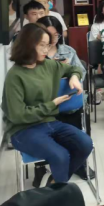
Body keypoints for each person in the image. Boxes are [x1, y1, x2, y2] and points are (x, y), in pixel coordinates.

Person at [2, 23, 91, 186]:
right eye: (41, 45)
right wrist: (52, 104)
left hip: (50, 122)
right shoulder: (14, 76)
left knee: (85, 144)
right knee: (60, 156)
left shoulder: (48, 65)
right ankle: (58, 192)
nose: (46, 50)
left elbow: (74, 69)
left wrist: (74, 76)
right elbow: (18, 115)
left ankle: (55, 183)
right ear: (28, 45)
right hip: (23, 130)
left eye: (48, 45)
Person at [34, 16, 90, 185]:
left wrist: (72, 75)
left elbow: (80, 71)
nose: (52, 40)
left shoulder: (68, 51)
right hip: (44, 105)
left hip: (68, 103)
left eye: (56, 35)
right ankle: (42, 167)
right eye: (48, 35)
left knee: (78, 123)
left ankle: (76, 164)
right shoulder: (34, 54)